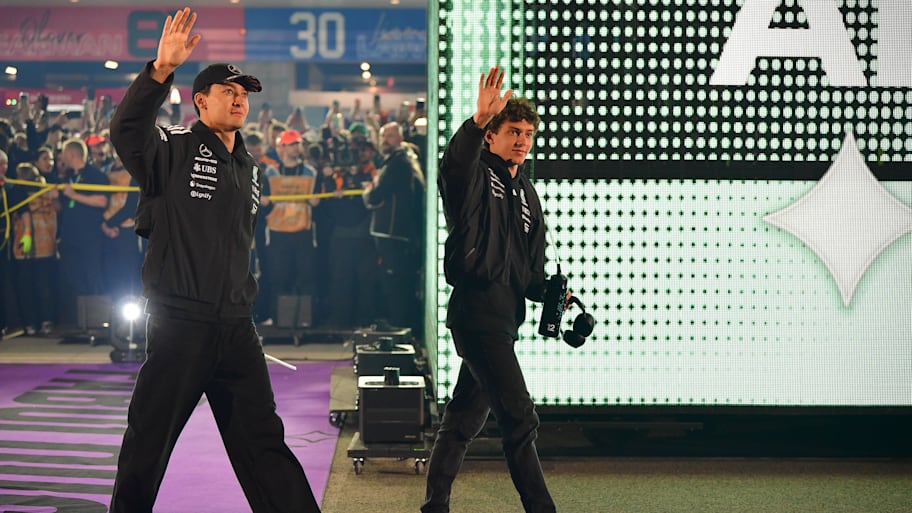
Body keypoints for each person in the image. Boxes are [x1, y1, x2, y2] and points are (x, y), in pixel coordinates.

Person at [107, 8, 321, 513]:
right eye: (229, 91)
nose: (240, 97)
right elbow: (127, 131)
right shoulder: (171, 148)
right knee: (147, 447)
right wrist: (159, 71)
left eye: (244, 92)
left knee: (265, 445)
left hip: (236, 329)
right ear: (200, 101)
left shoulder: (250, 169)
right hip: (180, 324)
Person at [422, 67, 555, 513]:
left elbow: (530, 274)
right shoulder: (474, 174)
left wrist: (556, 294)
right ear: (492, 137)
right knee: (520, 418)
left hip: (505, 318)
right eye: (513, 131)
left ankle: (433, 506)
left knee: (462, 421)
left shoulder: (528, 194)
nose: (522, 140)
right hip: (476, 316)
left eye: (528, 133)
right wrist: (477, 119)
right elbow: (453, 165)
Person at [363, 122, 425, 331]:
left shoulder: (397, 163)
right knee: (396, 282)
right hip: (396, 233)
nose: (385, 140)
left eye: (389, 135)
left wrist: (370, 192)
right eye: (383, 136)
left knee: (396, 283)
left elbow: (376, 195)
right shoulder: (399, 162)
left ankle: (399, 326)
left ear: (399, 138)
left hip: (392, 233)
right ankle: (399, 324)